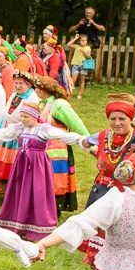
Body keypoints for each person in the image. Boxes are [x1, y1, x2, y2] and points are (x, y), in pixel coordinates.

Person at [0, 103, 86, 240]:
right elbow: (1, 134)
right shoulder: (19, 128)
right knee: (20, 190)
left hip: (38, 166)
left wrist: (81, 139)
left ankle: (37, 224)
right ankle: (16, 220)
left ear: (35, 116)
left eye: (26, 117)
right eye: (21, 116)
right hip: (21, 165)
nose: (23, 119)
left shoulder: (43, 129)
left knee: (37, 190)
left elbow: (62, 136)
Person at [34, 75, 90, 215]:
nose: (35, 90)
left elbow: (77, 125)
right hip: (44, 149)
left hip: (58, 150)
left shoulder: (59, 105)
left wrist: (88, 141)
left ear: (45, 89)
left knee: (56, 179)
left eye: (38, 87)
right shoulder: (43, 103)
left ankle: (54, 208)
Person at [0, 72, 38, 194]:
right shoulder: (14, 94)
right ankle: (4, 185)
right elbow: (7, 110)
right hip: (9, 129)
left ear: (28, 84)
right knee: (6, 157)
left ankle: (16, 188)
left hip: (20, 132)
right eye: (16, 83)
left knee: (15, 159)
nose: (17, 86)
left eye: (21, 83)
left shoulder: (31, 97)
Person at [68, 6, 105, 74]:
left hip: (91, 44)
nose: (88, 14)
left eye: (90, 13)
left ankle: (87, 80)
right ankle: (76, 77)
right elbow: (70, 30)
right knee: (77, 60)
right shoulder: (81, 20)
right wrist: (78, 24)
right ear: (85, 13)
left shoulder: (96, 20)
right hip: (80, 44)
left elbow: (103, 29)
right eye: (87, 13)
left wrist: (93, 23)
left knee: (89, 61)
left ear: (93, 13)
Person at [67, 33, 93, 99]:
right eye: (82, 40)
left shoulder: (88, 48)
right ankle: (69, 94)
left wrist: (83, 52)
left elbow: (89, 57)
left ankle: (80, 95)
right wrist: (75, 38)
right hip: (76, 65)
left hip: (83, 66)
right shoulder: (76, 46)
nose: (84, 42)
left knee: (82, 80)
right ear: (79, 41)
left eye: (85, 40)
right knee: (73, 80)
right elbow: (68, 44)